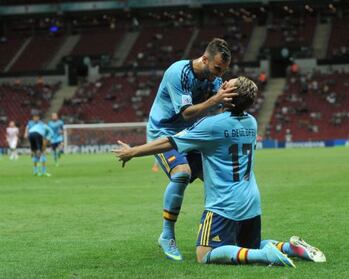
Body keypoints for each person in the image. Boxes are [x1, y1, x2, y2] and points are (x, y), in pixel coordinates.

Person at [113, 77, 326, 267]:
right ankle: (289, 248)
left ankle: (266, 256)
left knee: (205, 254)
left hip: (224, 206)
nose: (222, 85)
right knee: (246, 247)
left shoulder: (212, 126)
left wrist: (133, 151)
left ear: (229, 98)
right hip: (251, 203)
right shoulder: (251, 122)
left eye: (227, 85)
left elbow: (170, 142)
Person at [145, 38, 236, 260]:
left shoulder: (214, 79)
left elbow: (220, 106)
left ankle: (226, 234)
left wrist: (232, 98)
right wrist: (216, 99)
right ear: (204, 59)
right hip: (164, 132)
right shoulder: (179, 72)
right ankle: (167, 236)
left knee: (219, 177)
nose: (218, 75)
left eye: (222, 71)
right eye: (216, 69)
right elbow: (186, 112)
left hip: (191, 134)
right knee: (182, 173)